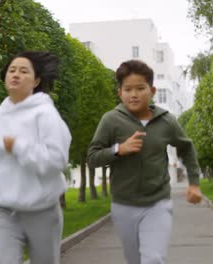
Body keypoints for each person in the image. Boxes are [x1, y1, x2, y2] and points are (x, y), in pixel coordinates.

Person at [87, 59, 202, 264]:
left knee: (153, 259)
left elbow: (186, 147)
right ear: (119, 92)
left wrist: (194, 183)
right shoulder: (111, 120)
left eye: (140, 88)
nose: (134, 94)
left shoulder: (167, 121)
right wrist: (118, 150)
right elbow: (93, 157)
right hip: (123, 205)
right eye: (128, 89)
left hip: (158, 202)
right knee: (135, 260)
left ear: (152, 90)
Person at [0, 51, 71, 264]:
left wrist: (18, 146)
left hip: (42, 209)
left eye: (24, 71)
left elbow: (57, 160)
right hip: (2, 209)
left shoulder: (46, 115)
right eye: (12, 70)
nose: (15, 74)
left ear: (36, 81)